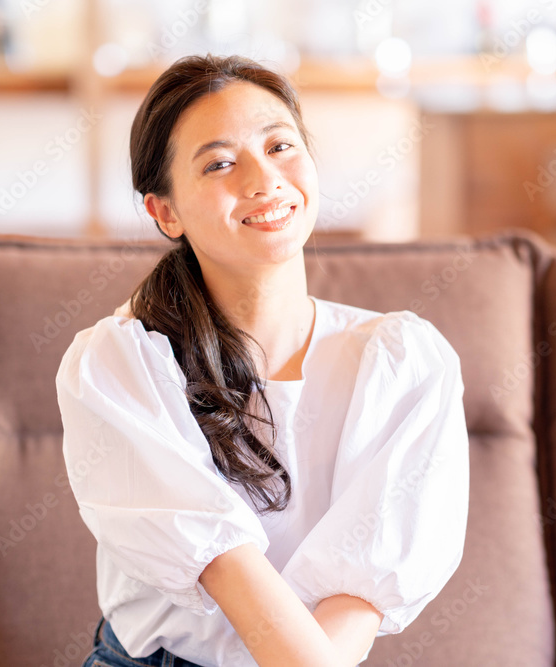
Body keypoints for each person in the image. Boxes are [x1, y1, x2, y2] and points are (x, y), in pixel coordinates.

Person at [55, 53, 469, 667]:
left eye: (280, 147)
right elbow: (228, 573)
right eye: (219, 163)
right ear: (165, 211)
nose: (263, 179)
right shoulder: (120, 363)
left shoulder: (405, 362)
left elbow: (359, 598)